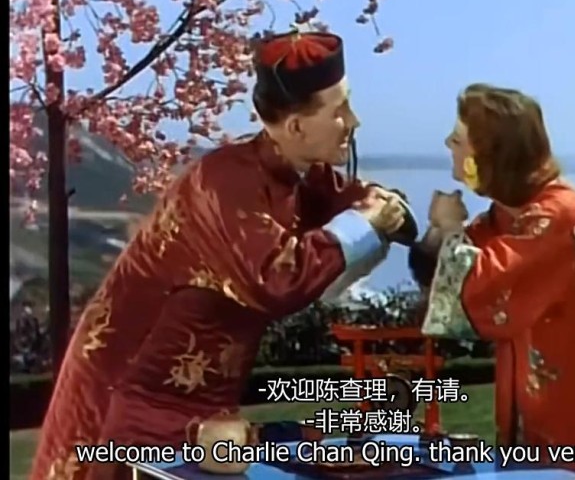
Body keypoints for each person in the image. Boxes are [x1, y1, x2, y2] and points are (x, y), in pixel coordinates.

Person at [31, 30, 413, 480]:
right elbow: (275, 281)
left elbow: (349, 199)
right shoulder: (222, 183)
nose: (354, 121)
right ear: (295, 127)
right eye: (340, 110)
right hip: (133, 398)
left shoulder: (298, 176)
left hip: (205, 412)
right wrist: (367, 220)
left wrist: (382, 209)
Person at [412, 83, 575, 480]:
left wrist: (450, 229)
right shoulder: (509, 217)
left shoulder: (559, 218)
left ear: (490, 155)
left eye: (459, 139)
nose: (448, 144)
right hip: (549, 429)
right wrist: (439, 231)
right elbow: (438, 271)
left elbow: (477, 290)